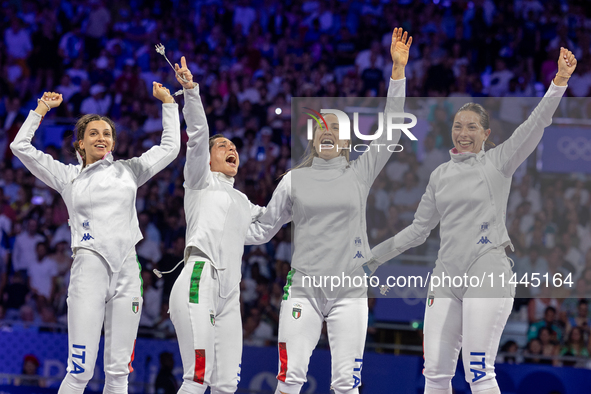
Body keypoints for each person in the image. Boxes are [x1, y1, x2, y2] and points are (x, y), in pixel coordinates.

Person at [366, 47, 577, 394]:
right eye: (457, 126)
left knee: (478, 370)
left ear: (486, 134)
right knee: (434, 374)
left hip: (487, 269)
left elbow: (535, 124)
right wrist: (372, 259)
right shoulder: (439, 175)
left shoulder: (498, 162)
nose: (463, 133)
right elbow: (419, 231)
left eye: (472, 127)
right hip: (446, 277)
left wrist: (558, 82)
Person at [246, 28, 411, 394]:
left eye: (335, 126)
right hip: (303, 288)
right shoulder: (293, 180)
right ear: (311, 136)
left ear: (347, 140)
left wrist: (397, 73)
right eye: (321, 125)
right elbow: (262, 229)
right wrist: (220, 220)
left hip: (350, 291)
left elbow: (393, 131)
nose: (327, 130)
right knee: (289, 380)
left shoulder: (359, 173)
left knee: (346, 385)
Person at [10, 82, 180, 394]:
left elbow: (170, 147)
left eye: (106, 134)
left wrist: (168, 104)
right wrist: (41, 110)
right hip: (89, 268)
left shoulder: (129, 171)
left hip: (128, 270)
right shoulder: (67, 176)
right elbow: (20, 147)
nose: (101, 137)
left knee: (118, 374)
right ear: (80, 144)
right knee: (80, 372)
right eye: (93, 133)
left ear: (113, 143)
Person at [167, 57, 266, 394]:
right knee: (197, 377)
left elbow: (265, 226)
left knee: (226, 384)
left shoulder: (241, 201)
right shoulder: (199, 181)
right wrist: (191, 93)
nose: (231, 148)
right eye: (223, 146)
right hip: (200, 278)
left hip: (229, 295)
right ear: (208, 159)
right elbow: (198, 136)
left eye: (234, 146)